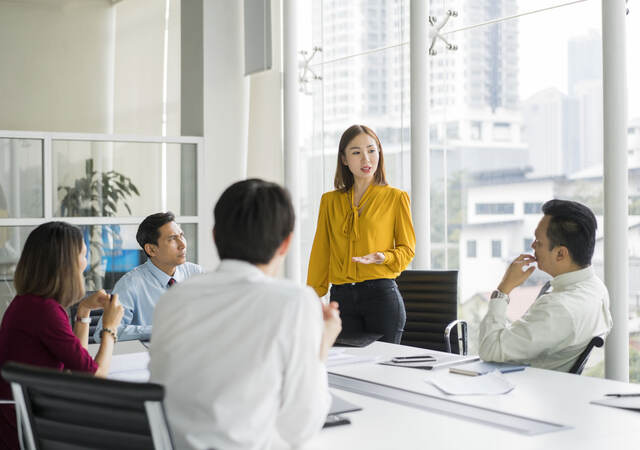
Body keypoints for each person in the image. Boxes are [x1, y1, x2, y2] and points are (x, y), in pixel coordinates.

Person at [150, 179, 341, 450]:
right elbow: (299, 429)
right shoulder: (295, 302)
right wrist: (321, 348)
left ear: (215, 236)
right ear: (286, 243)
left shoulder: (175, 298)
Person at [0, 221, 124, 450]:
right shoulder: (45, 311)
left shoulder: (30, 303)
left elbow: (74, 371)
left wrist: (84, 311)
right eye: (83, 254)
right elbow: (94, 377)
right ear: (67, 263)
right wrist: (110, 327)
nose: (86, 263)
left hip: (22, 418)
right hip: (25, 426)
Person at [307, 124, 415, 344]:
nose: (366, 159)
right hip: (341, 299)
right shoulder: (330, 201)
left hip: (381, 297)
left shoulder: (396, 198)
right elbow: (321, 250)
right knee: (345, 371)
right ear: (345, 159)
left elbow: (407, 249)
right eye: (356, 152)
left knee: (383, 374)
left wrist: (384, 257)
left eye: (371, 150)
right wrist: (313, 294)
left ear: (379, 153)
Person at [478, 199, 613, 372]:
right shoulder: (596, 287)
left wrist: (503, 290)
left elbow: (489, 349)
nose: (532, 246)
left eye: (538, 242)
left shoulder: (558, 308)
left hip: (524, 390)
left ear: (560, 254)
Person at [94, 212, 202, 342]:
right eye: (172, 239)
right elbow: (101, 334)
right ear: (151, 250)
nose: (182, 245)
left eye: (181, 236)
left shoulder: (196, 273)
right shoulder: (130, 284)